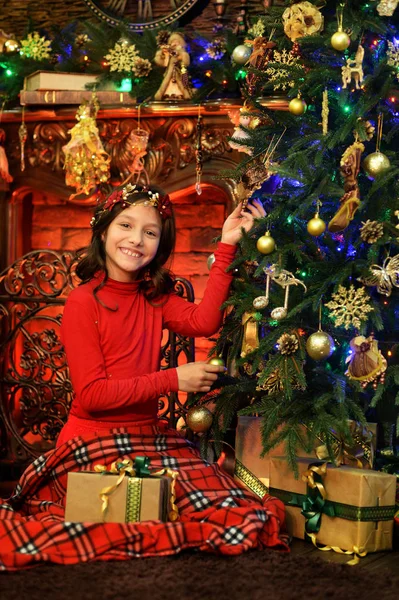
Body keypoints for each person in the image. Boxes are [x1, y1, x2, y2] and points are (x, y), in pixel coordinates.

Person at [0, 184, 288, 570]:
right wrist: (173, 379)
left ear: (160, 243)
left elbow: (204, 321)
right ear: (103, 231)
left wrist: (227, 245)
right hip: (91, 444)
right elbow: (92, 396)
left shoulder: (153, 296)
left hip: (146, 436)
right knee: (144, 511)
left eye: (150, 232)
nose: (136, 240)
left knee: (225, 499)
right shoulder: (83, 302)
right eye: (125, 225)